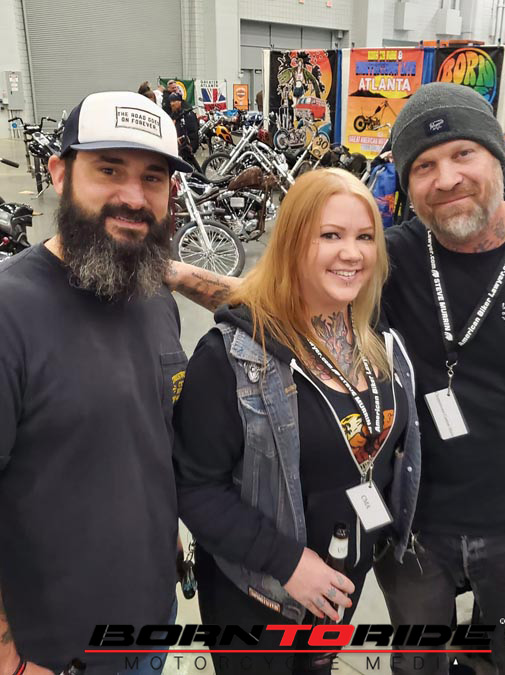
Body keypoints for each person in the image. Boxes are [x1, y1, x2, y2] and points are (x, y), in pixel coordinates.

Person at [167, 83, 505, 675]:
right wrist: (172, 272)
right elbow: (285, 294)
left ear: (498, 155)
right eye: (424, 165)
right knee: (418, 665)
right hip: (409, 530)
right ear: (407, 182)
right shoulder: (385, 256)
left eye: (463, 154)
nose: (446, 179)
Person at [0, 91, 193, 675]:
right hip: (55, 651)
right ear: (60, 173)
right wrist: (0, 665)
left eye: (153, 178)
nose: (134, 197)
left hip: (151, 620)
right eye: (108, 170)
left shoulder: (151, 295)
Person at [173, 168, 421, 675]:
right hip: (259, 596)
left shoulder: (376, 338)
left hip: (341, 583)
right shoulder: (232, 356)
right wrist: (288, 562)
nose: (352, 253)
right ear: (291, 243)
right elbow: (193, 487)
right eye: (330, 235)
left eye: (365, 237)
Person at [168, 91, 200, 171]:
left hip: (186, 149)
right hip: (178, 149)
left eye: (174, 101)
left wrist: (192, 147)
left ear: (180, 102)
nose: (172, 104)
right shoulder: (174, 115)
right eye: (171, 101)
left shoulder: (188, 114)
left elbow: (193, 132)